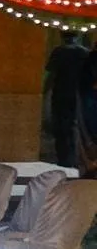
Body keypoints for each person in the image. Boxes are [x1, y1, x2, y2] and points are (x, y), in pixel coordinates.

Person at [44, 30, 87, 168]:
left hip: (61, 94)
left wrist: (44, 91)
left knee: (61, 127)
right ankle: (74, 158)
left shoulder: (58, 52)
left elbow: (51, 74)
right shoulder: (83, 53)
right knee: (75, 126)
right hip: (77, 95)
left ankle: (63, 159)